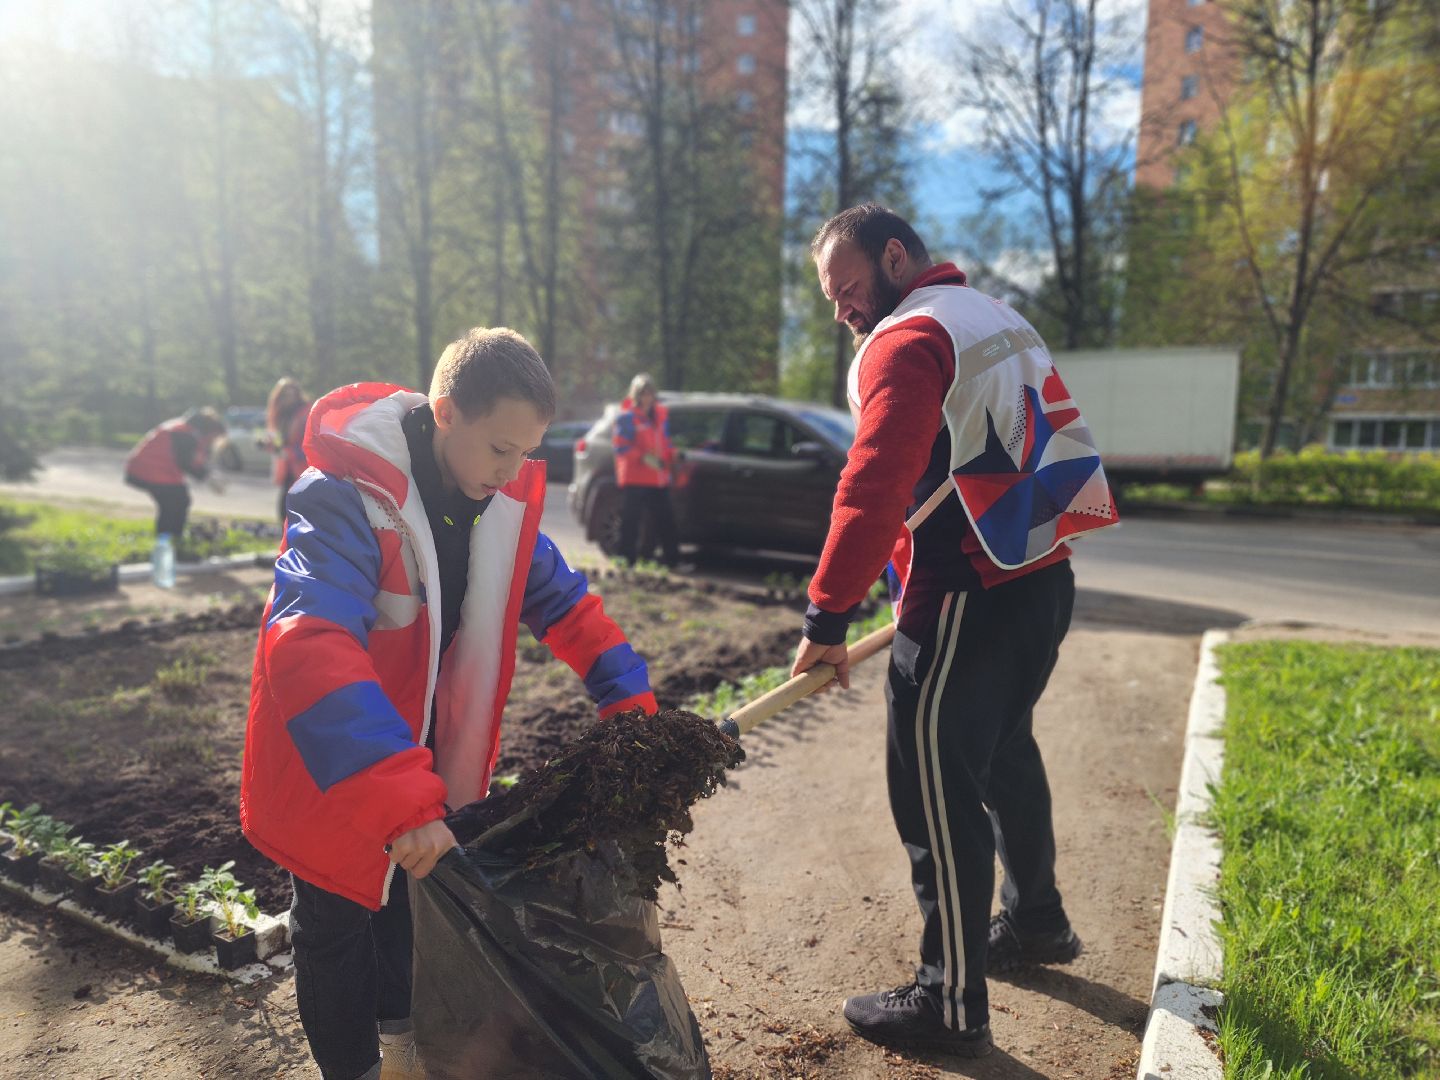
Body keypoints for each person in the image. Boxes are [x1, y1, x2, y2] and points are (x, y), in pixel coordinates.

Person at [241, 328, 659, 1080]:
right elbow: (308, 645)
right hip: (330, 758)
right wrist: (399, 795)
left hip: (415, 766)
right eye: (500, 448)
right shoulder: (343, 497)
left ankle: (404, 1054)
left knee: (411, 908)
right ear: (445, 413)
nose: (512, 472)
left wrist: (631, 705)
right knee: (336, 924)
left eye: (526, 455)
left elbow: (566, 606)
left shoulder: (499, 505)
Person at [789, 205, 1119, 1058]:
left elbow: (874, 484)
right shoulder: (996, 318)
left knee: (933, 790)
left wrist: (828, 616)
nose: (842, 311)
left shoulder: (909, 339)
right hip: (1042, 580)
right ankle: (1038, 923)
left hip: (966, 597)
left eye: (848, 287)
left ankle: (949, 1002)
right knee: (1006, 755)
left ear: (896, 257)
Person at [123, 406, 228, 541]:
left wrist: (207, 473)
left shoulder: (185, 428)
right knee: (176, 501)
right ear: (210, 430)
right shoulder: (185, 433)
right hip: (151, 471)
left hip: (148, 470)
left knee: (177, 500)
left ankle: (168, 539)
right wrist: (206, 477)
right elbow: (185, 462)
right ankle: (168, 539)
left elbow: (191, 460)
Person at [611, 373, 679, 567]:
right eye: (643, 394)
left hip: (657, 478)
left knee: (666, 520)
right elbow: (620, 446)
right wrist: (642, 457)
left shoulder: (660, 415)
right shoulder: (627, 417)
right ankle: (626, 560)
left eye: (649, 393)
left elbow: (665, 442)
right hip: (635, 478)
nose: (646, 398)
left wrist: (673, 454)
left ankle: (672, 561)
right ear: (636, 395)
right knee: (630, 521)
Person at [266, 377, 312, 523]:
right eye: (285, 395)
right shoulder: (282, 415)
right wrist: (271, 445)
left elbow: (310, 443)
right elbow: (281, 442)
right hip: (288, 470)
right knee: (284, 512)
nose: (289, 399)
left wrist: (291, 452)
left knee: (302, 513)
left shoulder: (305, 413)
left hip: (304, 470)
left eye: (292, 394)